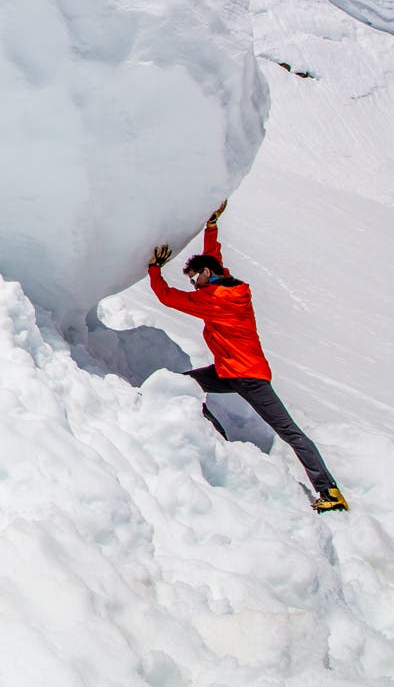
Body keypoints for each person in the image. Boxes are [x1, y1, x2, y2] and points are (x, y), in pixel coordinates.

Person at [148, 201, 348, 513]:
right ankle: (215, 437)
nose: (192, 284)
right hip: (229, 371)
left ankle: (330, 492)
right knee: (178, 387)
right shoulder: (226, 285)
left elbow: (167, 297)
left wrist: (153, 269)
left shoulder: (214, 300)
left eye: (193, 278)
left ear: (205, 275)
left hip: (248, 377)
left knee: (289, 431)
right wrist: (211, 227)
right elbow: (213, 258)